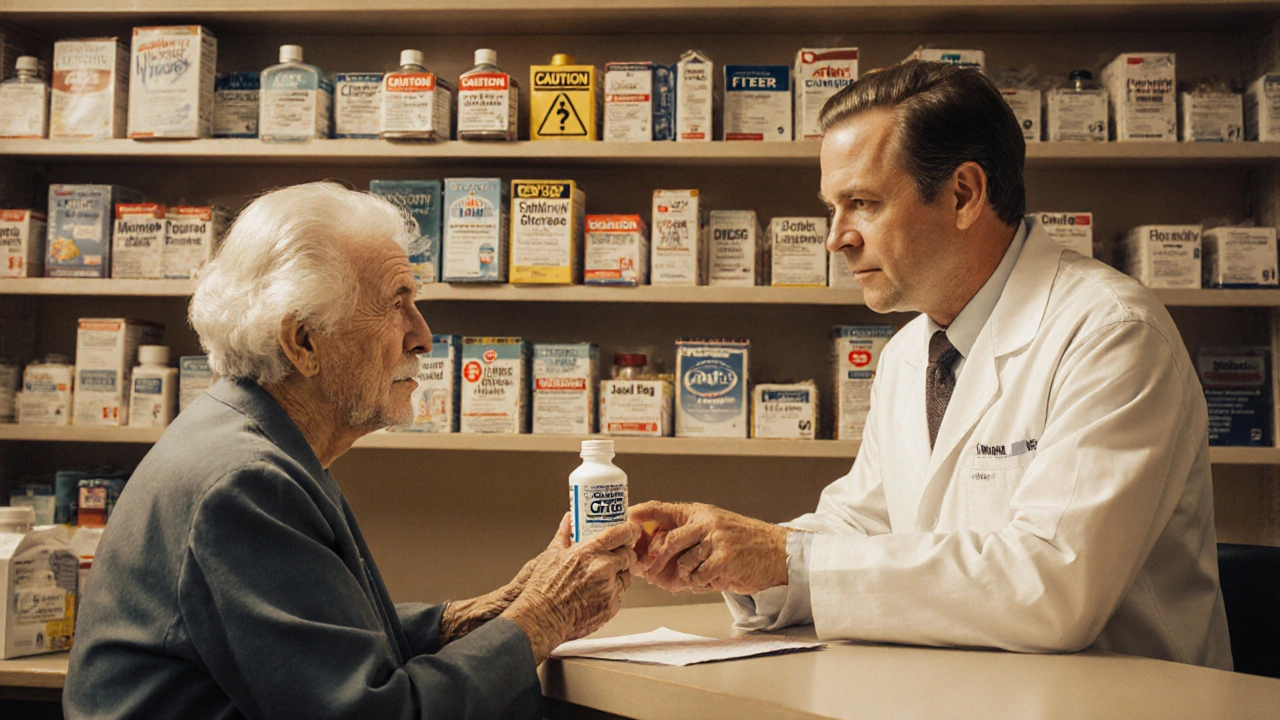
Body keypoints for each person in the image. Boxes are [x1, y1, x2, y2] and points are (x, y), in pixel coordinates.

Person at [632, 61, 1232, 670]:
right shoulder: (909, 354)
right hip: (962, 688)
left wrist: (785, 556)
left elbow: (1056, 585)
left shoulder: (1110, 333)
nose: (836, 238)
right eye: (832, 208)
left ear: (964, 195)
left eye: (860, 203)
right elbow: (861, 524)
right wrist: (725, 555)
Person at [64, 182, 640, 719]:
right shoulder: (243, 484)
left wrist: (490, 610)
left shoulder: (255, 439)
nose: (422, 335)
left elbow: (318, 640)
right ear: (304, 341)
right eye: (396, 303)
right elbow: (371, 712)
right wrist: (542, 616)